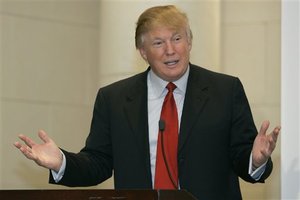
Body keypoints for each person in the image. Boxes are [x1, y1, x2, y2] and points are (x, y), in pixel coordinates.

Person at [14, 5, 280, 200]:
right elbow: (98, 163)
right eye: (158, 42)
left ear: (189, 42)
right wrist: (61, 162)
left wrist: (255, 160)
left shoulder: (225, 90)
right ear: (143, 51)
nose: (170, 50)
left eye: (177, 38)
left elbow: (242, 158)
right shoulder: (114, 98)